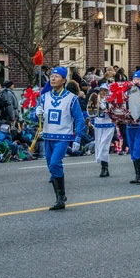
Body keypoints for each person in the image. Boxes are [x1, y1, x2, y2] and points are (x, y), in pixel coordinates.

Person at [35, 67, 86, 211]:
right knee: (51, 166)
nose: (53, 79)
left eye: (56, 76)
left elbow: (79, 119)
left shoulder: (72, 98)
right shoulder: (44, 97)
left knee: (55, 163)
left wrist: (77, 138)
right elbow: (34, 119)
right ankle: (60, 196)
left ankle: (60, 198)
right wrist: (36, 113)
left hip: (63, 137)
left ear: (63, 80)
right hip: (48, 136)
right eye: (51, 76)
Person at [91, 84, 115, 178]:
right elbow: (90, 111)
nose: (103, 92)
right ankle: (104, 167)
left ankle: (104, 168)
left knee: (104, 145)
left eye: (105, 90)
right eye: (102, 90)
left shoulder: (110, 100)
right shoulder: (94, 99)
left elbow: (112, 111)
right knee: (98, 144)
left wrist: (102, 106)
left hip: (108, 125)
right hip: (98, 125)